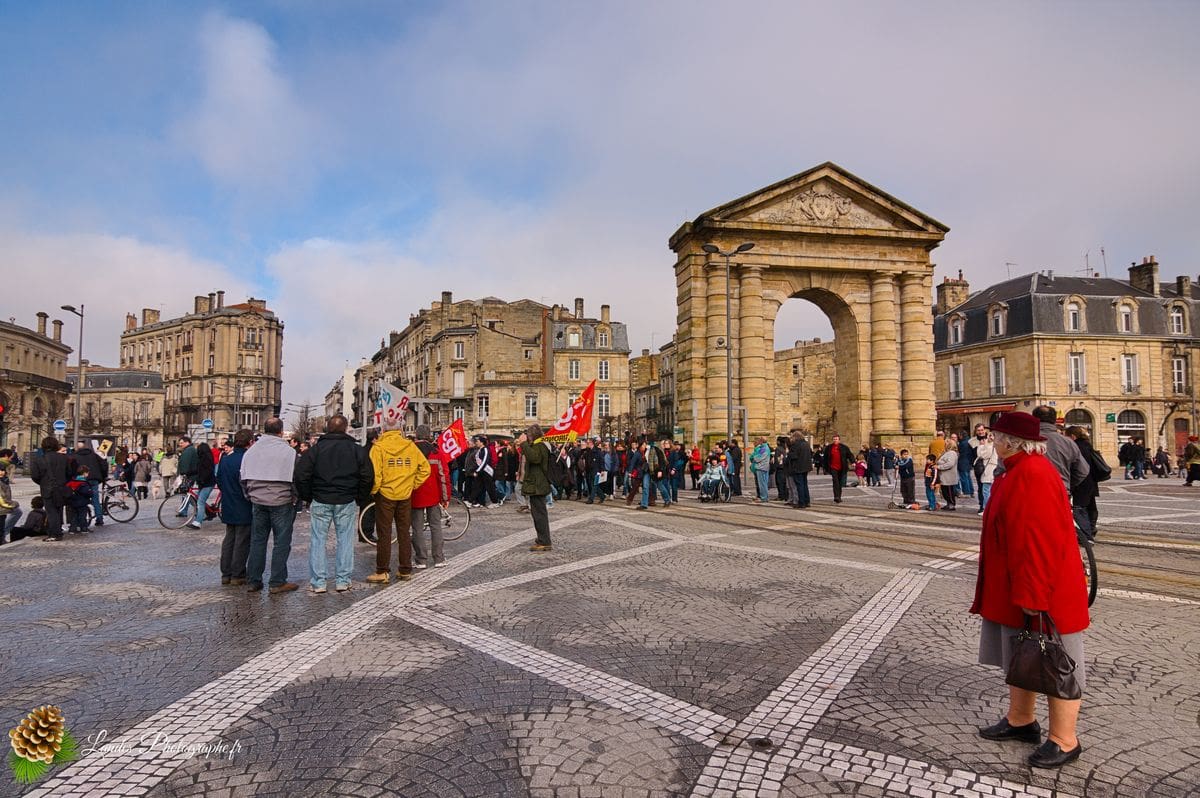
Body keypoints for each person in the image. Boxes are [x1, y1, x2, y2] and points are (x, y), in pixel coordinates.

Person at [972, 411, 1089, 770]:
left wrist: (1033, 597)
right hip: (1018, 586)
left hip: (1041, 590)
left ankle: (1065, 739)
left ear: (1010, 441)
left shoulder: (1033, 475)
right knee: (1021, 655)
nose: (992, 442)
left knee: (1057, 663)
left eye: (995, 437)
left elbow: (1037, 543)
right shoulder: (1016, 471)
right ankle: (1022, 721)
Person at [295, 414, 373, 593]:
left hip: (321, 498)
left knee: (317, 541)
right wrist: (359, 497)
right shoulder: (356, 450)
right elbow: (367, 476)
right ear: (346, 429)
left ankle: (319, 582)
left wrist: (309, 496)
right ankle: (343, 580)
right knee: (345, 540)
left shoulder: (315, 450)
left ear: (327, 428)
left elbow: (301, 475)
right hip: (346, 499)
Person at [366, 415, 430, 585]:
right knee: (404, 533)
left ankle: (382, 571)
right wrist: (411, 484)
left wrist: (374, 491)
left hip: (385, 495)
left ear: (384, 429)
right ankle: (405, 569)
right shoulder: (410, 446)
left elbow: (376, 475)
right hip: (405, 494)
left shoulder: (378, 448)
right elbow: (425, 469)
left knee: (384, 533)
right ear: (400, 429)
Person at [242, 418, 300, 594]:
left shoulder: (251, 451)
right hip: (281, 500)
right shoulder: (289, 452)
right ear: (281, 431)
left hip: (258, 501)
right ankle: (277, 581)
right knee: (281, 542)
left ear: (264, 429)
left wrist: (250, 495)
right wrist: (295, 497)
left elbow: (242, 478)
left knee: (257, 541)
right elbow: (296, 478)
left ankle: (253, 580)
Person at [409, 424, 450, 569]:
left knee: (417, 528)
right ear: (429, 435)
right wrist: (445, 498)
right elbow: (443, 476)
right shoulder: (436, 452)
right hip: (433, 495)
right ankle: (439, 558)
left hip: (414, 494)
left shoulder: (409, 451)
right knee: (436, 526)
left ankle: (421, 560)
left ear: (416, 434)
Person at [216, 430, 253, 586]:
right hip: (243, 504)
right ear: (249, 442)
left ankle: (226, 573)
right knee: (242, 540)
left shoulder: (225, 459)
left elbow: (219, 480)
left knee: (229, 538)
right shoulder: (247, 459)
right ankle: (238, 574)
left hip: (228, 503)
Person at [1030, 406, 1090, 495]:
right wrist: (1066, 484)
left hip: (1030, 492)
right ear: (1054, 419)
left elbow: (1003, 468)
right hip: (1060, 491)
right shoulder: (1068, 442)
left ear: (1033, 419)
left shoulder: (1023, 441)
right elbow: (1082, 471)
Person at [30, 436, 73, 541]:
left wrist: (42, 483)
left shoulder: (39, 459)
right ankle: (57, 531)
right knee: (58, 509)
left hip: (47, 488)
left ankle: (54, 533)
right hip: (61, 487)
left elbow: (35, 475)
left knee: (51, 511)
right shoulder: (64, 458)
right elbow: (70, 473)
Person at [518, 425, 553, 551]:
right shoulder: (537, 445)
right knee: (537, 514)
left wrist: (523, 444)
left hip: (538, 485)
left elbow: (534, 458)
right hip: (536, 484)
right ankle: (542, 539)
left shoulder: (540, 445)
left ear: (531, 436)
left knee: (539, 515)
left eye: (527, 435)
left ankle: (545, 541)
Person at [1065, 426, 1103, 538]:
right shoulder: (1088, 445)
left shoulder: (1076, 447)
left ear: (1072, 436)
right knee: (1091, 507)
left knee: (1079, 508)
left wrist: (1073, 483)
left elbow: (1077, 468)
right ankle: (1091, 529)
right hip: (1091, 482)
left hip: (1081, 482)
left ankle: (1086, 536)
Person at [72, 441, 108, 528]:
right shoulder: (93, 454)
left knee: (81, 499)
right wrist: (103, 476)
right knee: (95, 499)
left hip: (82, 480)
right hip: (94, 479)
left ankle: (82, 520)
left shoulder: (75, 456)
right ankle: (99, 519)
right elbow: (104, 464)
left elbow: (72, 469)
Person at [188, 443, 218, 530]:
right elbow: (198, 470)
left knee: (200, 502)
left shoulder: (207, 459)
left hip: (208, 483)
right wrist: (189, 472)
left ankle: (197, 522)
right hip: (203, 483)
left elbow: (207, 472)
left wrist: (201, 479)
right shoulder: (202, 459)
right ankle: (209, 512)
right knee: (199, 500)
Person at [823, 435, 854, 504]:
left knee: (840, 482)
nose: (835, 440)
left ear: (839, 440)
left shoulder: (844, 447)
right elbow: (825, 458)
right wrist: (825, 467)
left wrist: (853, 462)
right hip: (833, 467)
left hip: (842, 467)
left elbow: (850, 455)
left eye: (836, 439)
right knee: (835, 481)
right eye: (834, 439)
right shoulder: (829, 448)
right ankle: (836, 496)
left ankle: (839, 496)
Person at [784, 432, 812, 509]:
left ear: (795, 437)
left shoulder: (795, 445)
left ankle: (801, 502)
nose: (791, 439)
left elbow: (793, 456)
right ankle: (807, 501)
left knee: (799, 485)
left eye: (792, 437)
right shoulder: (806, 444)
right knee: (805, 484)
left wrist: (788, 453)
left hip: (798, 467)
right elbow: (811, 453)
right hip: (806, 467)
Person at [973, 431, 999, 515]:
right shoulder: (995, 446)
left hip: (989, 469)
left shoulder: (990, 446)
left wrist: (981, 446)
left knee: (986, 490)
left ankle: (986, 509)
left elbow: (981, 455)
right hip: (992, 468)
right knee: (989, 490)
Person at [66, 465, 94, 534]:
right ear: (84, 473)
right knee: (82, 516)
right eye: (87, 473)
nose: (88, 474)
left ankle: (72, 529)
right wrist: (91, 492)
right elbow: (86, 492)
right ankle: (83, 528)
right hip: (82, 502)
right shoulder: (83, 483)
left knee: (74, 516)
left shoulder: (72, 481)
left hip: (72, 502)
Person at [0, 461, 22, 543]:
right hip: (2, 506)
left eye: (2, 470)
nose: (1, 472)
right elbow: (3, 498)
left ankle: (2, 537)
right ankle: (2, 539)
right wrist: (14, 504)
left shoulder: (4, 480)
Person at [936, 434, 959, 510]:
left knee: (949, 491)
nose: (944, 445)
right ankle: (948, 503)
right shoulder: (946, 452)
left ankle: (951, 504)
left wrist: (939, 467)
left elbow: (950, 464)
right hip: (944, 476)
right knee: (945, 491)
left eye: (946, 444)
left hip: (949, 476)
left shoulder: (952, 453)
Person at [749, 437, 772, 502]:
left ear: (762, 441)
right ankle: (765, 497)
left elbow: (759, 457)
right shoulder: (764, 447)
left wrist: (754, 458)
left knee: (762, 484)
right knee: (763, 483)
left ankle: (763, 497)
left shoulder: (764, 448)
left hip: (761, 467)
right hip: (763, 467)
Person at [957, 429, 976, 498]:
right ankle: (971, 491)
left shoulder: (962, 443)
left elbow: (960, 453)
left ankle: (966, 492)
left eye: (959, 435)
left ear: (961, 435)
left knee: (964, 478)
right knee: (968, 477)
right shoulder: (969, 441)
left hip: (963, 462)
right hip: (968, 462)